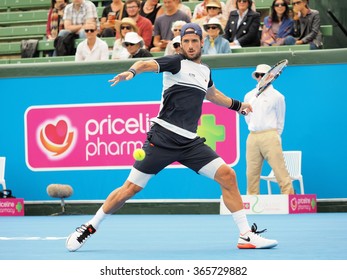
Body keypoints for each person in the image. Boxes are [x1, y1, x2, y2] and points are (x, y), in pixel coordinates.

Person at [65, 22, 278, 252]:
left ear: (201, 42)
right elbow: (146, 63)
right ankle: (89, 226)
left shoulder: (205, 71)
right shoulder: (175, 62)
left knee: (227, 175)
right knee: (130, 189)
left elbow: (213, 95)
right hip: (163, 138)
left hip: (189, 142)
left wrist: (239, 106)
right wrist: (132, 71)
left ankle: (246, 235)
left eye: (194, 41)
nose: (189, 45)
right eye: (185, 41)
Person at [243, 64, 294, 195]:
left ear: (271, 76)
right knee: (251, 173)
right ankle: (252, 202)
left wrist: (274, 136)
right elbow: (247, 118)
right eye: (258, 75)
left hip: (270, 136)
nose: (260, 77)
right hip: (252, 137)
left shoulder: (278, 97)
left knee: (279, 170)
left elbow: (280, 120)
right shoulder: (249, 96)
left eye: (263, 75)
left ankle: (289, 198)